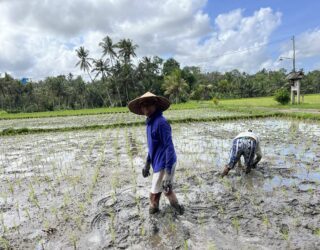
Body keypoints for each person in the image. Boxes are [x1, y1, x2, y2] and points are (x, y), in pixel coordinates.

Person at [128, 92, 184, 215]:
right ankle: (179, 211)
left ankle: (155, 219)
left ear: (155, 105)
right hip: (158, 162)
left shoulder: (161, 123)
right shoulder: (150, 123)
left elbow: (169, 147)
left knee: (155, 195)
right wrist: (147, 164)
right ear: (141, 108)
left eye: (149, 104)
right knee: (166, 190)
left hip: (165, 163)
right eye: (143, 105)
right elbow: (153, 147)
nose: (146, 108)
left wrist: (168, 174)